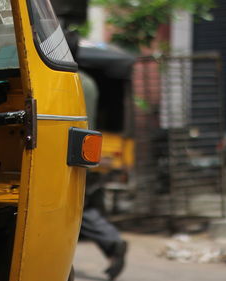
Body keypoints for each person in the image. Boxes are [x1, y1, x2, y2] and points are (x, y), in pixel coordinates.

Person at [65, 30, 128, 281]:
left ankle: (112, 242)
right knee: (81, 206)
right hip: (87, 150)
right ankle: (112, 244)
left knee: (75, 209)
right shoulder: (88, 81)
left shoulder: (63, 80)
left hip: (68, 151)